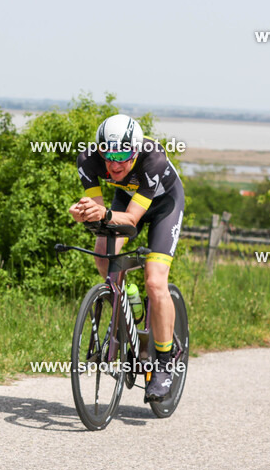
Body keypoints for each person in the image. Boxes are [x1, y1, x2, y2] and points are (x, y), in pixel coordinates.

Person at [68, 114, 184, 401]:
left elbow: (131, 219)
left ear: (135, 150)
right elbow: (98, 214)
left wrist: (104, 214)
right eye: (107, 155)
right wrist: (83, 214)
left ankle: (164, 362)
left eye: (122, 156)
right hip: (126, 200)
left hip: (164, 206)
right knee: (102, 253)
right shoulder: (87, 160)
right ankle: (127, 307)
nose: (114, 164)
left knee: (154, 281)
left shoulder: (153, 157)